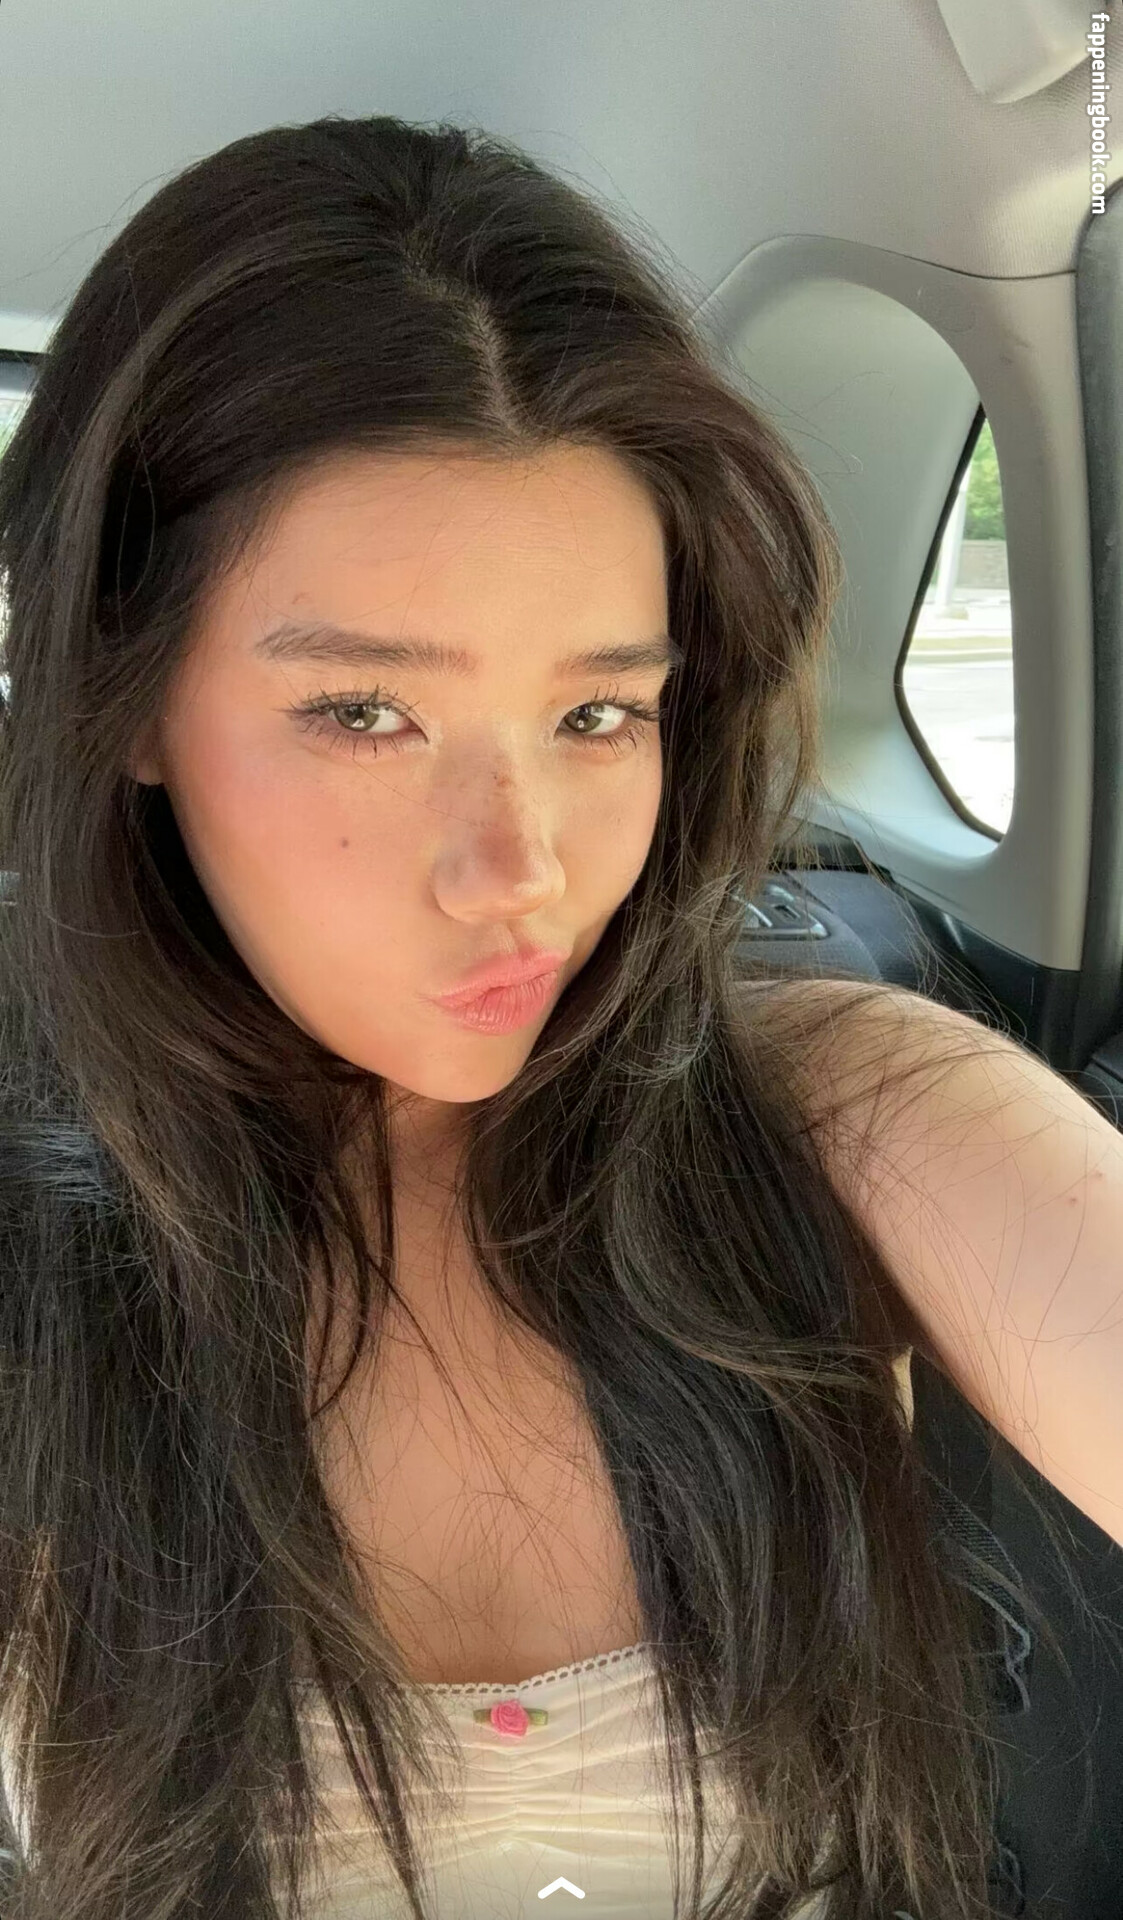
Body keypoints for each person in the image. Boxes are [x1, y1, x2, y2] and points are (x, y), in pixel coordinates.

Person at [0, 113, 1086, 1920]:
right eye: (366, 713)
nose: (518, 874)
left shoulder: (844, 1115)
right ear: (130, 702)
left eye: (598, 717)